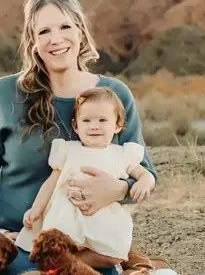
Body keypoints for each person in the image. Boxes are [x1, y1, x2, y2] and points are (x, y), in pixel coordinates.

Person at [0, 0, 157, 275]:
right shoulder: (4, 94)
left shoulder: (113, 95)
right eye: (43, 31)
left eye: (64, 27)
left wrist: (116, 190)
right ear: (32, 40)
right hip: (20, 241)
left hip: (85, 243)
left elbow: (144, 174)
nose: (55, 39)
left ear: (80, 30)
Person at [16, 86, 156, 262]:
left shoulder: (122, 154)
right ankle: (65, 262)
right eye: (86, 120)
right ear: (76, 125)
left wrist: (144, 182)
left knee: (113, 255)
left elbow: (146, 174)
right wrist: (36, 209)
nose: (94, 126)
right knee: (56, 245)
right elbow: (51, 183)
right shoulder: (68, 150)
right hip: (67, 215)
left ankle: (76, 263)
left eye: (102, 120)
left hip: (104, 218)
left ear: (117, 125)